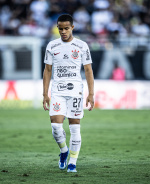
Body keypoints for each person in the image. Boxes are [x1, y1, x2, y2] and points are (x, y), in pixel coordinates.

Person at [43, 14, 94, 173]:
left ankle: (73, 162)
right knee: (56, 126)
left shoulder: (82, 46)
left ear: (72, 27)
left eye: (66, 28)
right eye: (60, 29)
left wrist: (91, 93)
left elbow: (88, 70)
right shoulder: (52, 46)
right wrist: (45, 94)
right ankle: (64, 151)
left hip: (75, 92)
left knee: (74, 129)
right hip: (57, 90)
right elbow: (47, 70)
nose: (63, 31)